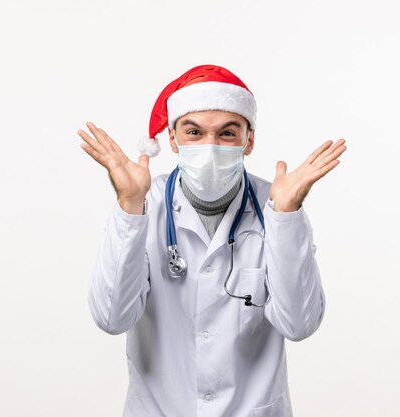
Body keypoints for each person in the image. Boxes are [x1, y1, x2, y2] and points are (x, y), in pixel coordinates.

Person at [77, 64, 347, 417]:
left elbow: (299, 325)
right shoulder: (146, 204)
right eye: (194, 132)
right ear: (173, 139)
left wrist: (287, 215)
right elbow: (111, 319)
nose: (210, 146)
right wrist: (130, 207)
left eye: (227, 134)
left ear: (249, 140)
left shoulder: (278, 204)